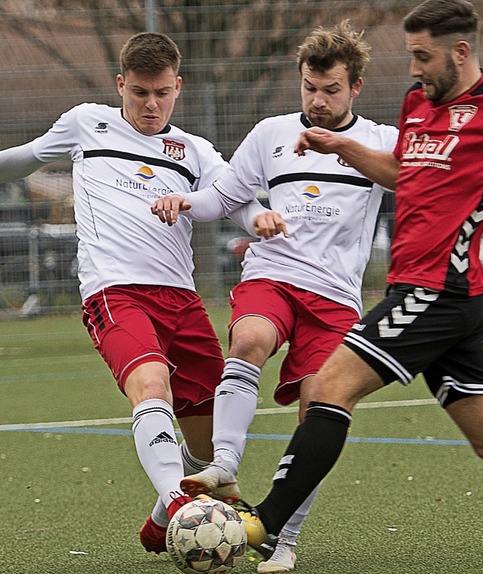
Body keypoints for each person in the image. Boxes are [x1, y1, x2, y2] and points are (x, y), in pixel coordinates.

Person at [225, 0, 483, 557]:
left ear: (460, 51)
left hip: (437, 290)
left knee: (326, 387)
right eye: (411, 55)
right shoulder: (418, 103)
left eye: (423, 57)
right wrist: (344, 146)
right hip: (441, 295)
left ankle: (267, 524)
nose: (415, 68)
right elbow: (401, 174)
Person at [0, 32, 284, 555]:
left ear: (178, 86)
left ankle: (161, 523)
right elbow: (27, 157)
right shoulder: (86, 122)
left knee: (207, 444)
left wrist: (258, 213)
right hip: (115, 292)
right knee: (151, 385)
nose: (150, 105)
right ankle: (180, 509)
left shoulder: (195, 149)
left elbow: (231, 197)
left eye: (160, 93)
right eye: (138, 93)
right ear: (119, 86)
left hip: (182, 300)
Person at [151, 20, 398, 572]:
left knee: (320, 403)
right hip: (273, 276)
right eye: (310, 88)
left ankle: (282, 537)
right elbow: (223, 196)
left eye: (331, 90)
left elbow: (419, 181)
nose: (318, 100)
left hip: (334, 297)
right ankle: (225, 464)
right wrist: (185, 201)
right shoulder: (271, 133)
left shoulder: (380, 142)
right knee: (250, 338)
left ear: (355, 87)